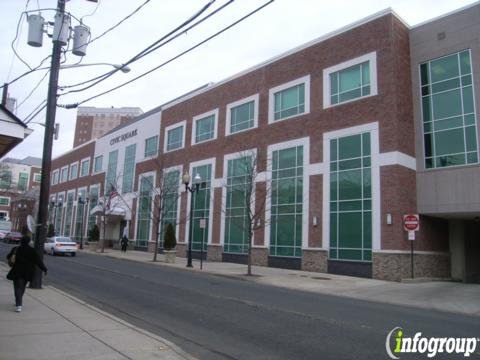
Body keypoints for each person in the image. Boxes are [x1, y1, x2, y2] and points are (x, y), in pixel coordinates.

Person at [6, 235, 48, 313]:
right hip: (27, 272)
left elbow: (8, 257)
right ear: (28, 242)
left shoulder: (16, 249)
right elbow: (38, 261)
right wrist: (44, 269)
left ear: (21, 241)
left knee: (17, 287)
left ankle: (18, 304)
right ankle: (18, 302)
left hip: (16, 270)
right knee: (22, 287)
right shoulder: (32, 251)